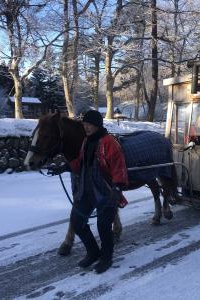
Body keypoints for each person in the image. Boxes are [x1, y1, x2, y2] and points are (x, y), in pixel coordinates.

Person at [68, 109, 129, 274]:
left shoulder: (109, 142)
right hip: (86, 190)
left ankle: (106, 257)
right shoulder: (86, 142)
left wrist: (117, 187)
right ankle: (93, 252)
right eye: (84, 124)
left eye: (89, 125)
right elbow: (81, 162)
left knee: (103, 225)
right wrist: (66, 166)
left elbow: (119, 166)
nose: (86, 128)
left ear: (97, 125)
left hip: (106, 192)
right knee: (77, 221)